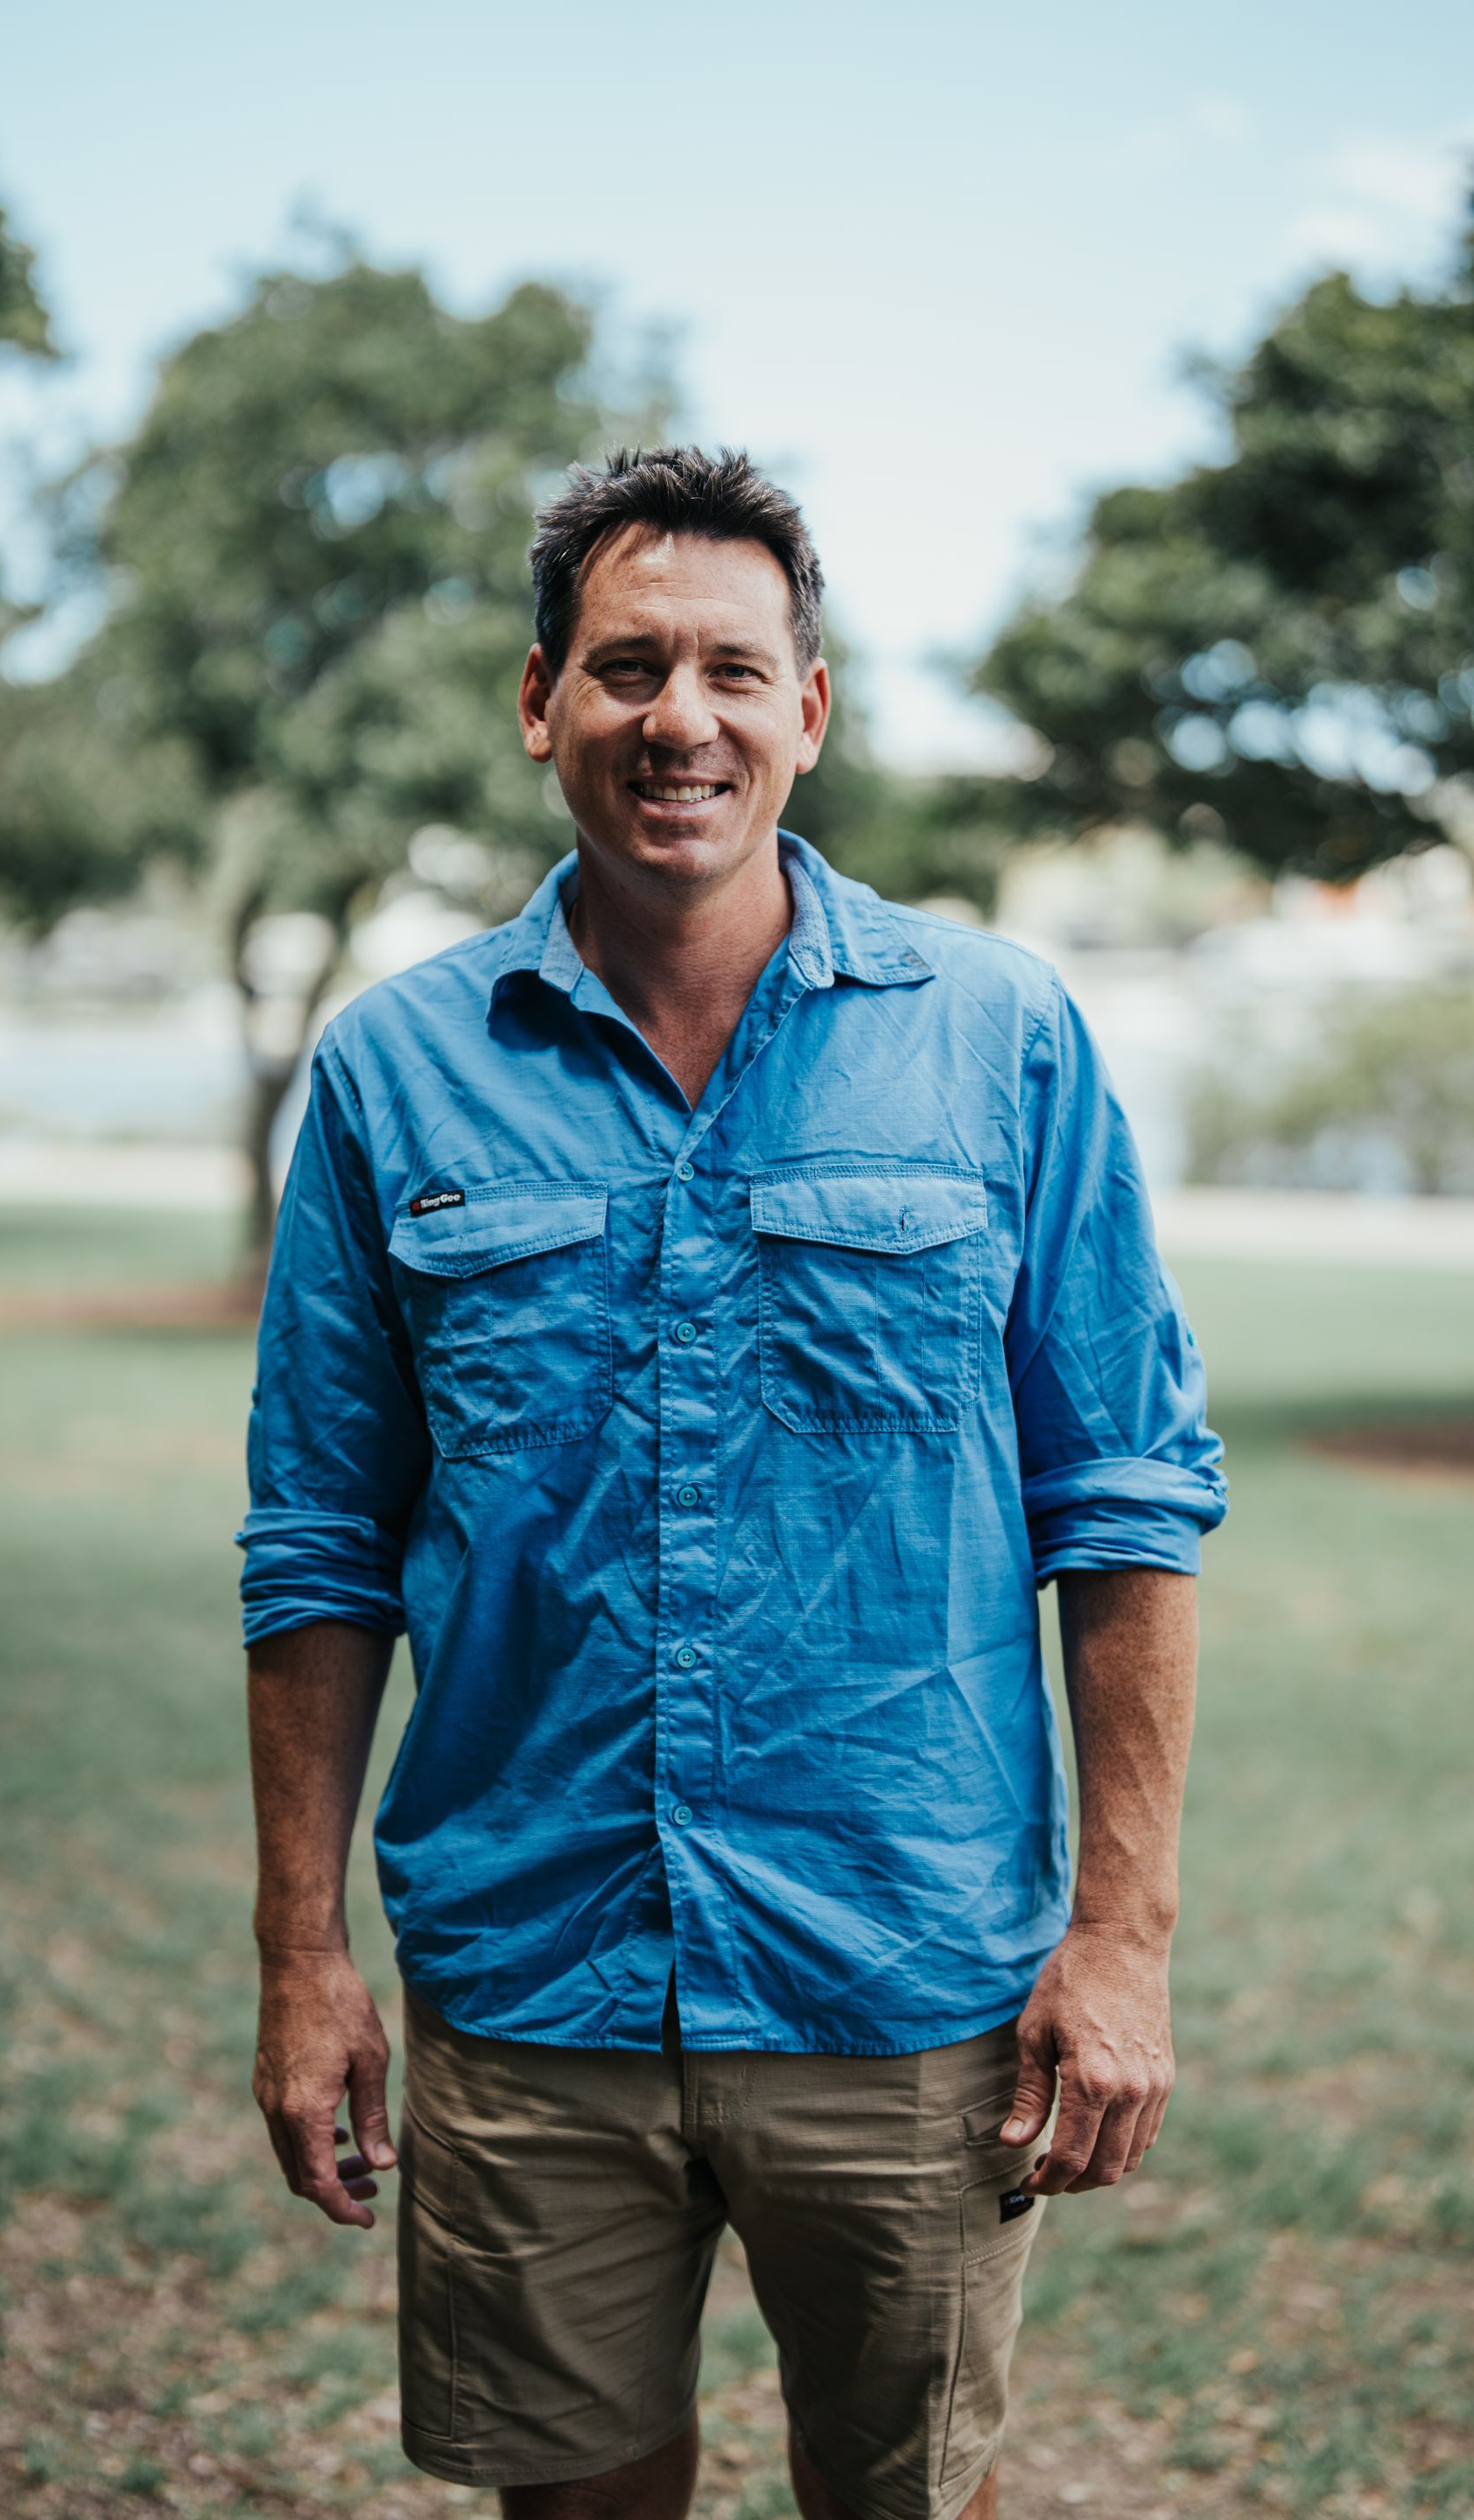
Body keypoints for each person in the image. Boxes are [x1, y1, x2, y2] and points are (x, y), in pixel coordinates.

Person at [238, 446, 1226, 2520]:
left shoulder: (1000, 1040)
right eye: (626, 668)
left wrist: (1122, 1940)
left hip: (905, 1976)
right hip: (533, 1976)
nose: (677, 719)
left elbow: (1126, 1504)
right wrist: (300, 1955)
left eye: (731, 671)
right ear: (541, 703)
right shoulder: (395, 1071)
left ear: (810, 709)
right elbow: (322, 1540)